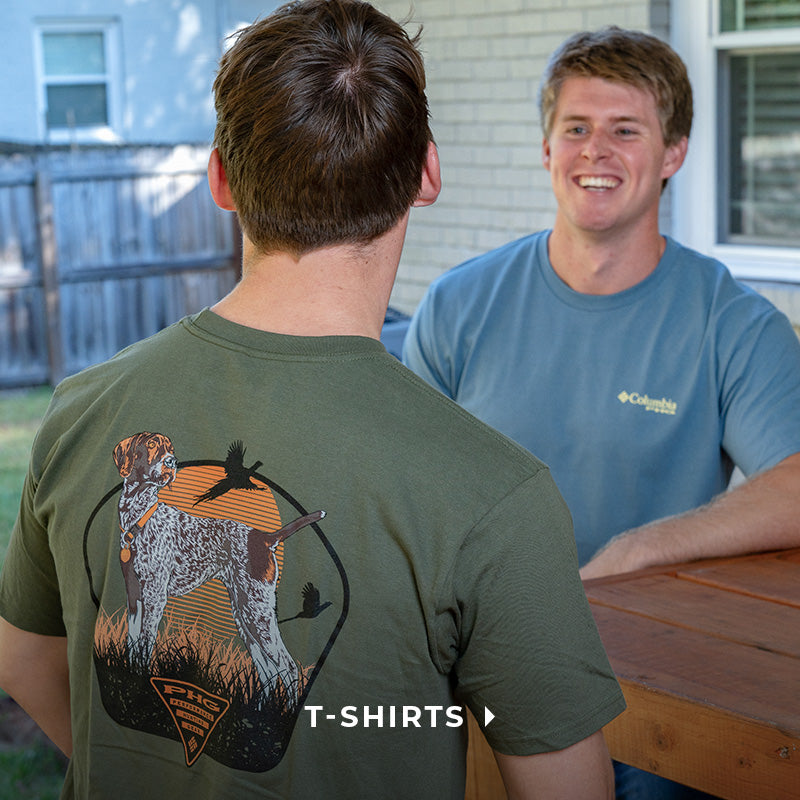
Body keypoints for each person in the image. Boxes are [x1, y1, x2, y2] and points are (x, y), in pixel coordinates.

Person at [0, 3, 625, 798]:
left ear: (220, 178)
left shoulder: (79, 411)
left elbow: (22, 660)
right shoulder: (498, 496)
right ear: (427, 174)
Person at [402, 25, 800, 800]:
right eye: (575, 129)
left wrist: (639, 551)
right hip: (479, 674)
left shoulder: (733, 322)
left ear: (674, 153)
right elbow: (400, 493)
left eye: (626, 130)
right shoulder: (458, 304)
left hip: (654, 682)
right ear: (547, 149)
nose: (596, 151)